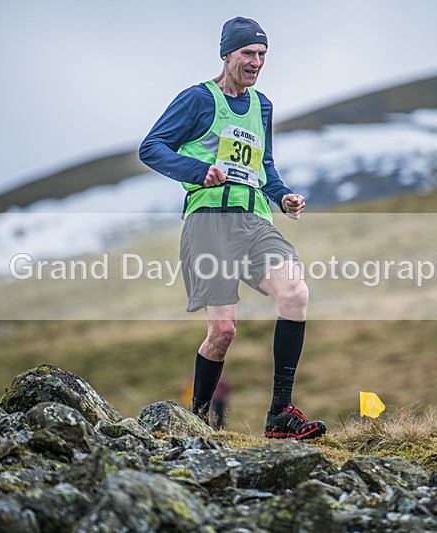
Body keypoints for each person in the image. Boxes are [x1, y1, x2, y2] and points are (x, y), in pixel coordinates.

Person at [139, 17, 326, 440]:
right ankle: (197, 420)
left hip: (254, 220)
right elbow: (151, 148)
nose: (256, 61)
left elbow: (265, 167)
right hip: (208, 223)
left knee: (295, 293)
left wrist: (283, 196)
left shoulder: (262, 106)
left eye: (262, 55)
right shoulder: (197, 100)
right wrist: (198, 170)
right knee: (223, 331)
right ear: (227, 55)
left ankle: (280, 412)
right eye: (248, 53)